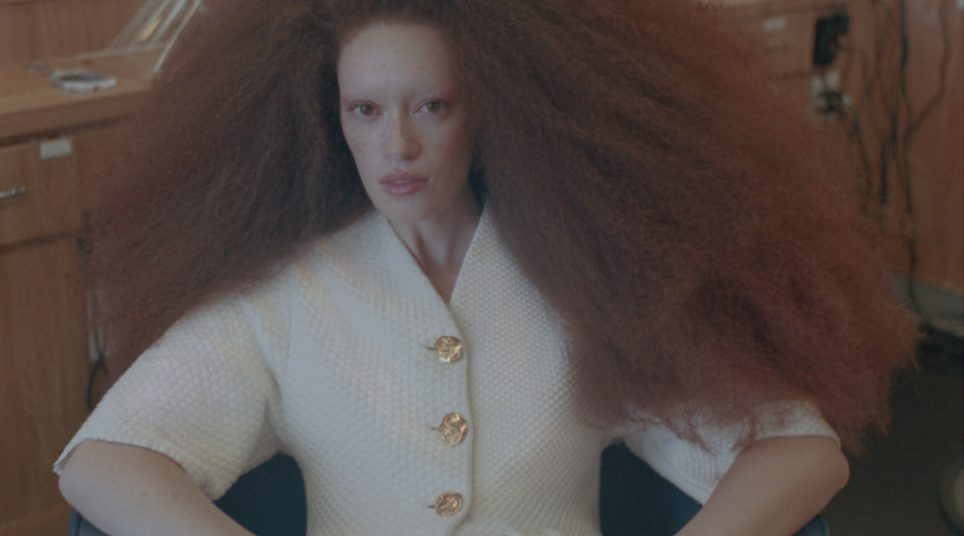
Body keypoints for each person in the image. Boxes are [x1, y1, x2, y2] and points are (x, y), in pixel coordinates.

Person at [55, 0, 918, 534]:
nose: (396, 145)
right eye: (365, 110)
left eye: (433, 106)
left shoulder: (584, 280)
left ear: (495, 106)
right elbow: (104, 459)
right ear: (330, 118)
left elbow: (801, 451)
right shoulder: (284, 296)